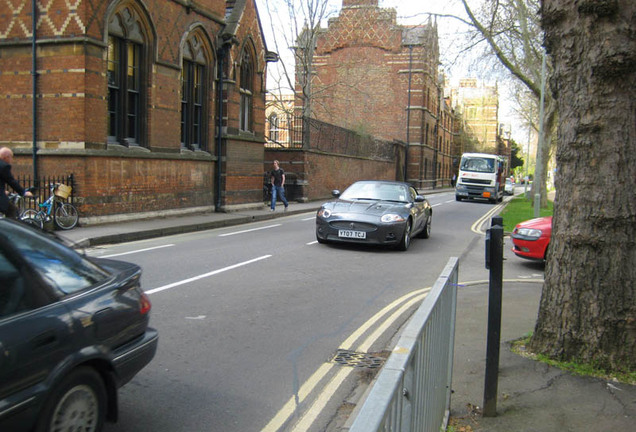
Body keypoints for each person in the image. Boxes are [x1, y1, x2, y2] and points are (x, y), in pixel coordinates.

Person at [0, 147, 33, 219]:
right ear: (6, 157)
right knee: (12, 211)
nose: (12, 160)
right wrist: (23, 192)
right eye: (11, 157)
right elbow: (11, 181)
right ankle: (10, 230)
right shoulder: (4, 166)